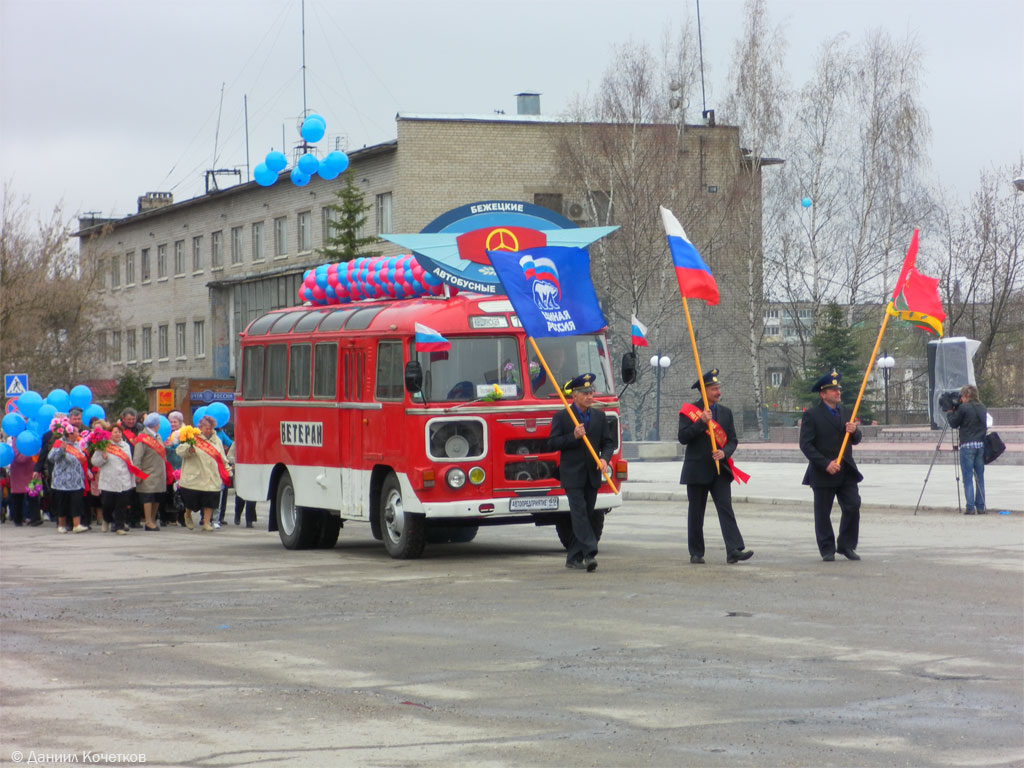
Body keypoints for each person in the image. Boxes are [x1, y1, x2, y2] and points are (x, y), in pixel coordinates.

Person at [677, 369, 753, 564]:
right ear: (704, 392)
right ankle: (696, 552)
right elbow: (683, 437)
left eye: (719, 388)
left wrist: (724, 452)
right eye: (714, 389)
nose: (719, 392)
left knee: (726, 508)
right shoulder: (689, 411)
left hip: (720, 470)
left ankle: (734, 549)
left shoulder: (726, 413)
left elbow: (733, 440)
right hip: (697, 470)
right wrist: (701, 422)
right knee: (696, 512)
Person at [546, 373, 615, 572]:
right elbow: (552, 443)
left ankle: (573, 557)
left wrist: (604, 458)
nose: (590, 396)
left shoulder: (599, 416)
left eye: (591, 392)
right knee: (579, 515)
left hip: (592, 475)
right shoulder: (563, 416)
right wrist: (573, 436)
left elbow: (607, 443)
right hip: (572, 475)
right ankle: (589, 552)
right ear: (574, 395)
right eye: (585, 393)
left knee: (586, 513)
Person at [799, 369, 863, 561]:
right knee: (823, 512)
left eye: (838, 389)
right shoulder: (812, 415)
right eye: (833, 390)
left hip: (845, 470)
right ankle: (827, 548)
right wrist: (825, 464)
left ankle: (846, 545)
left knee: (853, 505)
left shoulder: (846, 412)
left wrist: (854, 431)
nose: (838, 392)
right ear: (823, 394)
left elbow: (856, 439)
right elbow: (806, 445)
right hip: (823, 471)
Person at [176, 415, 231, 532]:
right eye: (206, 428)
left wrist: (228, 471)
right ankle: (188, 514)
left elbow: (222, 457)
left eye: (210, 428)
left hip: (211, 475)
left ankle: (206, 522)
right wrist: (188, 450)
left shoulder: (217, 441)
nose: (208, 430)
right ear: (200, 427)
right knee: (191, 500)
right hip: (195, 475)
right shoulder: (192, 438)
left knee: (210, 500)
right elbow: (179, 450)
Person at [946, 384, 988, 514]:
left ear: (967, 395)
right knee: (979, 477)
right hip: (980, 446)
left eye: (962, 396)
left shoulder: (964, 408)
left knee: (968, 477)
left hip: (967, 446)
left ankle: (970, 507)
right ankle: (980, 507)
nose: (961, 399)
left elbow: (954, 423)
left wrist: (949, 412)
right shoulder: (982, 407)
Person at [92, 424, 137, 535]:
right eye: (115, 432)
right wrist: (103, 458)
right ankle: (107, 520)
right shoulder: (103, 445)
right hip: (109, 480)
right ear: (109, 433)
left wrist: (133, 478)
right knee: (108, 504)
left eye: (119, 432)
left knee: (121, 505)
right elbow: (94, 461)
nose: (117, 434)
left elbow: (130, 462)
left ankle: (119, 526)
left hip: (123, 479)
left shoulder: (125, 446)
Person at [47, 420, 88, 533]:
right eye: (75, 432)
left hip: (76, 480)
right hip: (62, 481)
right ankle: (61, 525)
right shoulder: (59, 442)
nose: (78, 434)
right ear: (69, 433)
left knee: (76, 504)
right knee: (62, 504)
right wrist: (61, 449)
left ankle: (77, 525)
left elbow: (82, 460)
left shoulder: (77, 444)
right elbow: (51, 458)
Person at [133, 413, 167, 531]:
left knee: (157, 497)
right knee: (148, 497)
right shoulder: (142, 437)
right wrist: (138, 473)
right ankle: (148, 521)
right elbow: (137, 457)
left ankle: (152, 520)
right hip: (147, 472)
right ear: (157, 424)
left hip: (159, 473)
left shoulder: (157, 436)